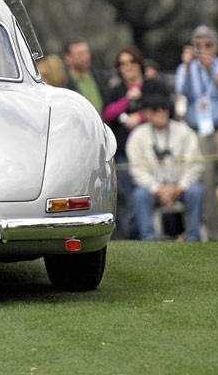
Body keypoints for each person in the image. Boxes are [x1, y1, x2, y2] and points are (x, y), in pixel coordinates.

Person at [175, 25, 218, 241]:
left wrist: (210, 70)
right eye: (198, 46)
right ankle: (217, 235)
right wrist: (188, 67)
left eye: (208, 45)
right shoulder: (185, 68)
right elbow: (181, 93)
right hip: (199, 132)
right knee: (207, 182)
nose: (203, 49)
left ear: (216, 46)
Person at [126, 79, 205, 241]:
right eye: (155, 109)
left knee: (197, 191)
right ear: (147, 113)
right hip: (153, 189)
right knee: (139, 195)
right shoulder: (137, 136)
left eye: (165, 108)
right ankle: (149, 238)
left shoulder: (184, 132)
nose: (161, 112)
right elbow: (137, 171)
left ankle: (194, 237)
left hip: (181, 186)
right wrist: (158, 189)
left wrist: (180, 187)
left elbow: (196, 165)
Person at [102, 47, 149, 239]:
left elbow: (165, 106)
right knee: (129, 199)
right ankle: (133, 237)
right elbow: (107, 114)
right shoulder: (117, 91)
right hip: (124, 152)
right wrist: (126, 100)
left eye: (132, 62)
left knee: (146, 194)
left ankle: (150, 234)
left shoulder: (151, 86)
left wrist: (141, 116)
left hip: (150, 153)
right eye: (123, 63)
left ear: (140, 64)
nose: (128, 67)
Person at [63, 39, 111, 113]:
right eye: (79, 54)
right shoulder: (65, 84)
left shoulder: (101, 76)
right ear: (68, 58)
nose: (85, 57)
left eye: (87, 52)